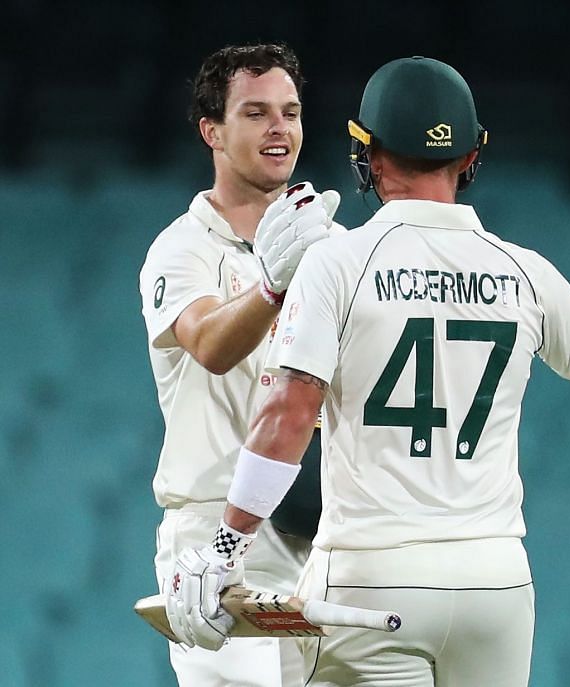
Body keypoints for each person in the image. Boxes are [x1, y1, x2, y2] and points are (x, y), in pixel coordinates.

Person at [163, 56, 570, 686]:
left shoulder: (337, 262)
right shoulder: (521, 269)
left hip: (373, 580)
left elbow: (287, 415)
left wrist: (227, 548)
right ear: (473, 155)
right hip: (493, 583)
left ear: (368, 153)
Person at [138, 43, 341, 687]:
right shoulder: (181, 248)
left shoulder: (333, 248)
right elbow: (210, 345)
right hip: (212, 535)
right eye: (255, 113)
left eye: (291, 111)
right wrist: (272, 289)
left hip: (318, 533)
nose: (279, 127)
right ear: (212, 132)